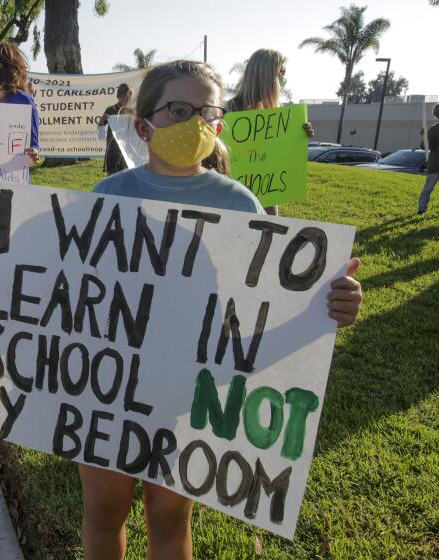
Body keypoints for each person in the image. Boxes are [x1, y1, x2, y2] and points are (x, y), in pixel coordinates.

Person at [28, 60, 358, 560]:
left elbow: (259, 306)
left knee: (169, 515)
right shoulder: (108, 195)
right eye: (179, 110)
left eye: (207, 111)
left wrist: (331, 306)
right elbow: (59, 285)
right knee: (102, 514)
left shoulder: (240, 204)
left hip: (188, 388)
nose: (195, 123)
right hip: (107, 386)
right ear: (143, 125)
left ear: (220, 123)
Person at [226, 48, 314, 216]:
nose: (283, 79)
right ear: (267, 75)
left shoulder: (278, 115)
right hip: (233, 195)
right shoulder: (229, 110)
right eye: (281, 73)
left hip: (267, 195)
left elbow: (280, 155)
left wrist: (299, 136)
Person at [0, 42, 40, 164]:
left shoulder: (23, 101)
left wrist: (33, 152)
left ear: (6, 66)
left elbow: (33, 143)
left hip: (13, 175)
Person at [98, 83, 133, 176]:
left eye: (127, 98)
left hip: (127, 150)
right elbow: (100, 132)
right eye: (123, 97)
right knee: (110, 178)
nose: (125, 100)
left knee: (126, 178)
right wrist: (102, 120)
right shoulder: (110, 110)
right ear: (118, 96)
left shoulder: (131, 112)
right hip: (112, 149)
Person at [417, 104, 439, 214]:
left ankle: (421, 209)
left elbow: (425, 146)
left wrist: (425, 135)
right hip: (435, 165)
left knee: (427, 189)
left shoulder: (434, 130)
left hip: (435, 165)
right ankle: (421, 209)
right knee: (427, 189)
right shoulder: (434, 130)